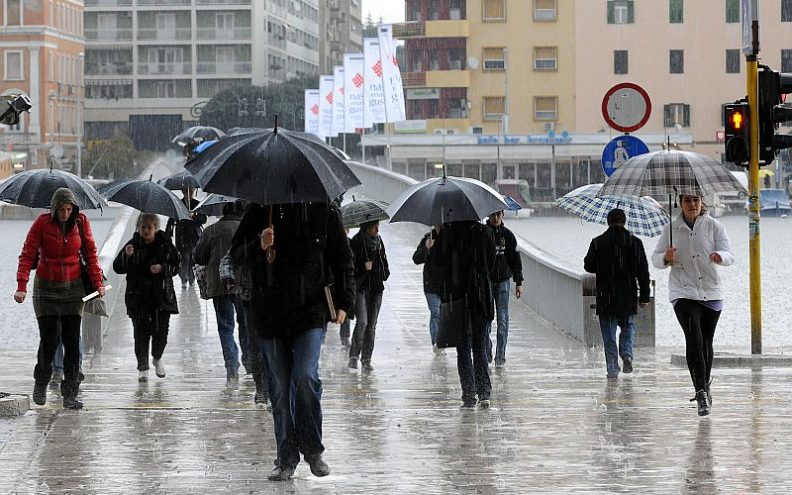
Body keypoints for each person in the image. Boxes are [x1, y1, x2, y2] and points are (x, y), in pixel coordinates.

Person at [230, 201, 355, 481]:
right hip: (270, 315)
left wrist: (345, 302)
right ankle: (286, 458)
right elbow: (235, 256)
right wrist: (258, 245)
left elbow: (343, 260)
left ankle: (312, 449)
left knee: (306, 378)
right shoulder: (261, 210)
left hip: (310, 313)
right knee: (280, 390)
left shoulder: (325, 211)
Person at [14, 188, 105, 409]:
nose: (65, 213)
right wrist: (21, 286)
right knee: (49, 340)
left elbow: (91, 254)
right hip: (46, 288)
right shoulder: (42, 223)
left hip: (73, 289)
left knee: (72, 342)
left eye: (69, 209)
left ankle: (71, 393)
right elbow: (27, 254)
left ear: (74, 208)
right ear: (53, 209)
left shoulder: (81, 222)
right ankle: (41, 381)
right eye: (61, 209)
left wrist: (98, 283)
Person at [651, 194, 734, 417]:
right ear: (679, 203)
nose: (692, 205)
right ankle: (700, 393)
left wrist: (720, 257)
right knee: (694, 338)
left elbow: (729, 254)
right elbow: (656, 258)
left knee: (706, 341)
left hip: (710, 291)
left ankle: (705, 385)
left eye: (695, 200)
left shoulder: (714, 226)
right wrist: (666, 258)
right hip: (683, 290)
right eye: (687, 200)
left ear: (702, 202)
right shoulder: (671, 228)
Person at [432, 220, 496, 409]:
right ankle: (484, 392)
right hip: (481, 295)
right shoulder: (486, 232)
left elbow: (436, 261)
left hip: (457, 296)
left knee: (463, 345)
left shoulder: (449, 233)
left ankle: (469, 394)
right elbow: (491, 264)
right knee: (480, 343)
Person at [584, 208, 650, 379]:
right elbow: (643, 272)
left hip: (606, 295)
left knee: (609, 334)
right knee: (628, 326)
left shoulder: (598, 242)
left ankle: (612, 368)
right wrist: (644, 296)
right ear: (624, 221)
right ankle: (627, 353)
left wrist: (603, 264)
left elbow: (588, 266)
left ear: (608, 222)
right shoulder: (634, 242)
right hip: (627, 295)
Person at [113, 213, 180, 382]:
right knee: (140, 335)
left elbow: (176, 265)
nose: (145, 231)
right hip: (139, 299)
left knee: (161, 333)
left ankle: (157, 358)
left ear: (156, 228)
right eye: (143, 227)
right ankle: (142, 367)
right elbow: (117, 268)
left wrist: (163, 268)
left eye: (149, 228)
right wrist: (126, 256)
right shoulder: (133, 245)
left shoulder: (165, 245)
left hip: (161, 299)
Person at [195, 201, 247, 380]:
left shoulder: (212, 230)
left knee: (225, 328)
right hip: (243, 285)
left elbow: (199, 257)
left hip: (218, 285)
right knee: (245, 325)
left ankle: (231, 366)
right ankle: (249, 362)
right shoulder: (246, 229)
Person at [219, 247, 270, 408]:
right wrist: (228, 277)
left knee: (277, 347)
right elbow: (228, 260)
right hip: (252, 298)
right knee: (256, 346)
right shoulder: (249, 233)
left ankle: (275, 387)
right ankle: (261, 387)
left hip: (282, 299)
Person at [347, 220, 389, 371]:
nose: (377, 229)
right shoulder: (356, 242)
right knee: (362, 322)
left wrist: (382, 271)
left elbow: (385, 264)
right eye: (374, 226)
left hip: (376, 289)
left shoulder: (379, 242)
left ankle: (366, 359)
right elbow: (350, 267)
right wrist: (363, 267)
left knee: (371, 326)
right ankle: (353, 356)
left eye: (378, 225)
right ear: (366, 227)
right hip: (361, 289)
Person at [484, 211, 524, 367]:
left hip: (503, 282)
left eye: (498, 215)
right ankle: (487, 350)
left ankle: (500, 357)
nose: (495, 219)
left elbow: (515, 259)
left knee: (503, 320)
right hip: (486, 282)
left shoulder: (508, 235)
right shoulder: (483, 234)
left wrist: (518, 281)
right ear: (488, 216)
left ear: (502, 216)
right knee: (486, 319)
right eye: (492, 215)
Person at [412, 224, 444, 354]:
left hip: (446, 284)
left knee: (443, 314)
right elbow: (416, 259)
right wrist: (426, 248)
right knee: (435, 312)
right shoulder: (428, 238)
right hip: (430, 284)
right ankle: (437, 342)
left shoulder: (450, 238)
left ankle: (442, 340)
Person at [166, 188, 206, 289]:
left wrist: (195, 218)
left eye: (191, 191)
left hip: (194, 236)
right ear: (183, 192)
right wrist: (168, 233)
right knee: (184, 258)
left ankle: (192, 278)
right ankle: (183, 278)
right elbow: (172, 218)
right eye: (186, 191)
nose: (189, 193)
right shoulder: (178, 204)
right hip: (182, 236)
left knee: (192, 258)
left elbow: (203, 219)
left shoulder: (197, 204)